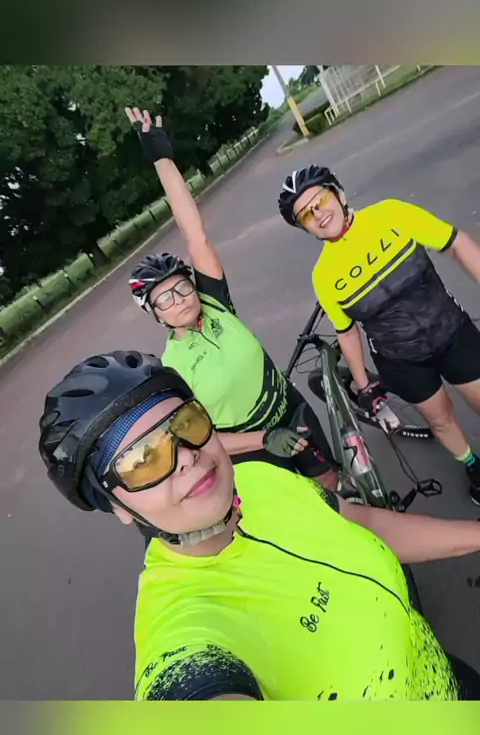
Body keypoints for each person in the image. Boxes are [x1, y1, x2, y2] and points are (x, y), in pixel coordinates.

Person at [39, 349, 480, 700]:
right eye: (142, 460)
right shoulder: (186, 627)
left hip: (446, 677)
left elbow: (360, 522)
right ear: (118, 506)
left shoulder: (257, 479)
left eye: (186, 424)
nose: (187, 456)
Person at [125, 107, 338, 491]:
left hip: (291, 409)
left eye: (182, 287)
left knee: (332, 485)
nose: (179, 300)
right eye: (164, 300)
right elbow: (201, 436)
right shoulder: (172, 369)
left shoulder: (215, 304)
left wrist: (161, 159)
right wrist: (263, 440)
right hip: (255, 448)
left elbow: (195, 234)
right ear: (156, 315)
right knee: (305, 507)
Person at [278, 164, 480, 504]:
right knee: (440, 419)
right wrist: (363, 386)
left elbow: (456, 242)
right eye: (307, 215)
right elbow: (347, 331)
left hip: (451, 331)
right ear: (305, 227)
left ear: (339, 194)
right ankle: (472, 464)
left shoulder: (390, 213)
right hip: (400, 360)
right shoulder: (324, 275)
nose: (319, 214)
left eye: (320, 200)